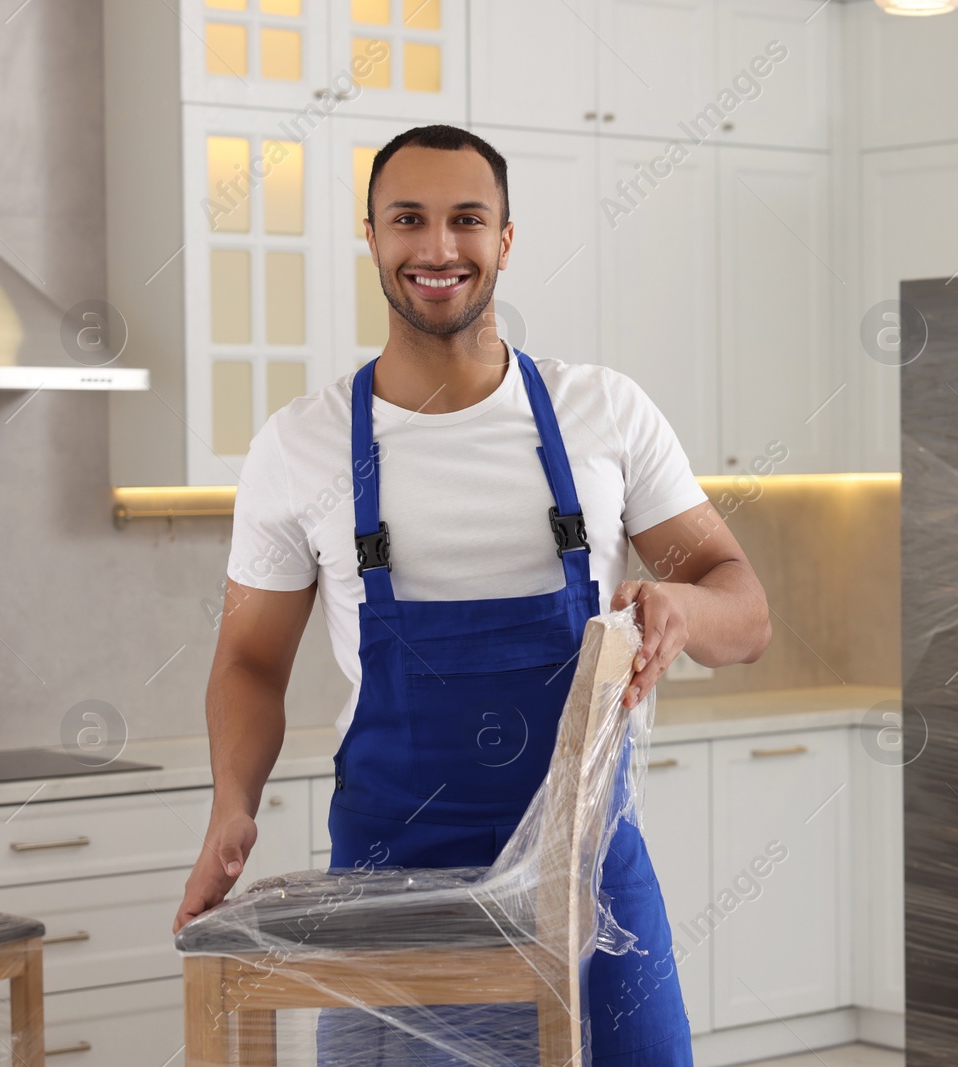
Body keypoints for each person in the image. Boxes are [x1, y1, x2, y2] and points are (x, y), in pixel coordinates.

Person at [172, 124, 772, 1065]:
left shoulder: (603, 413)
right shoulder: (300, 446)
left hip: (588, 879)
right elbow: (250, 660)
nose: (439, 247)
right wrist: (230, 802)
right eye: (409, 219)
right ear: (370, 235)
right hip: (392, 888)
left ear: (506, 239)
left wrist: (685, 608)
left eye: (467, 220)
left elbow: (746, 610)